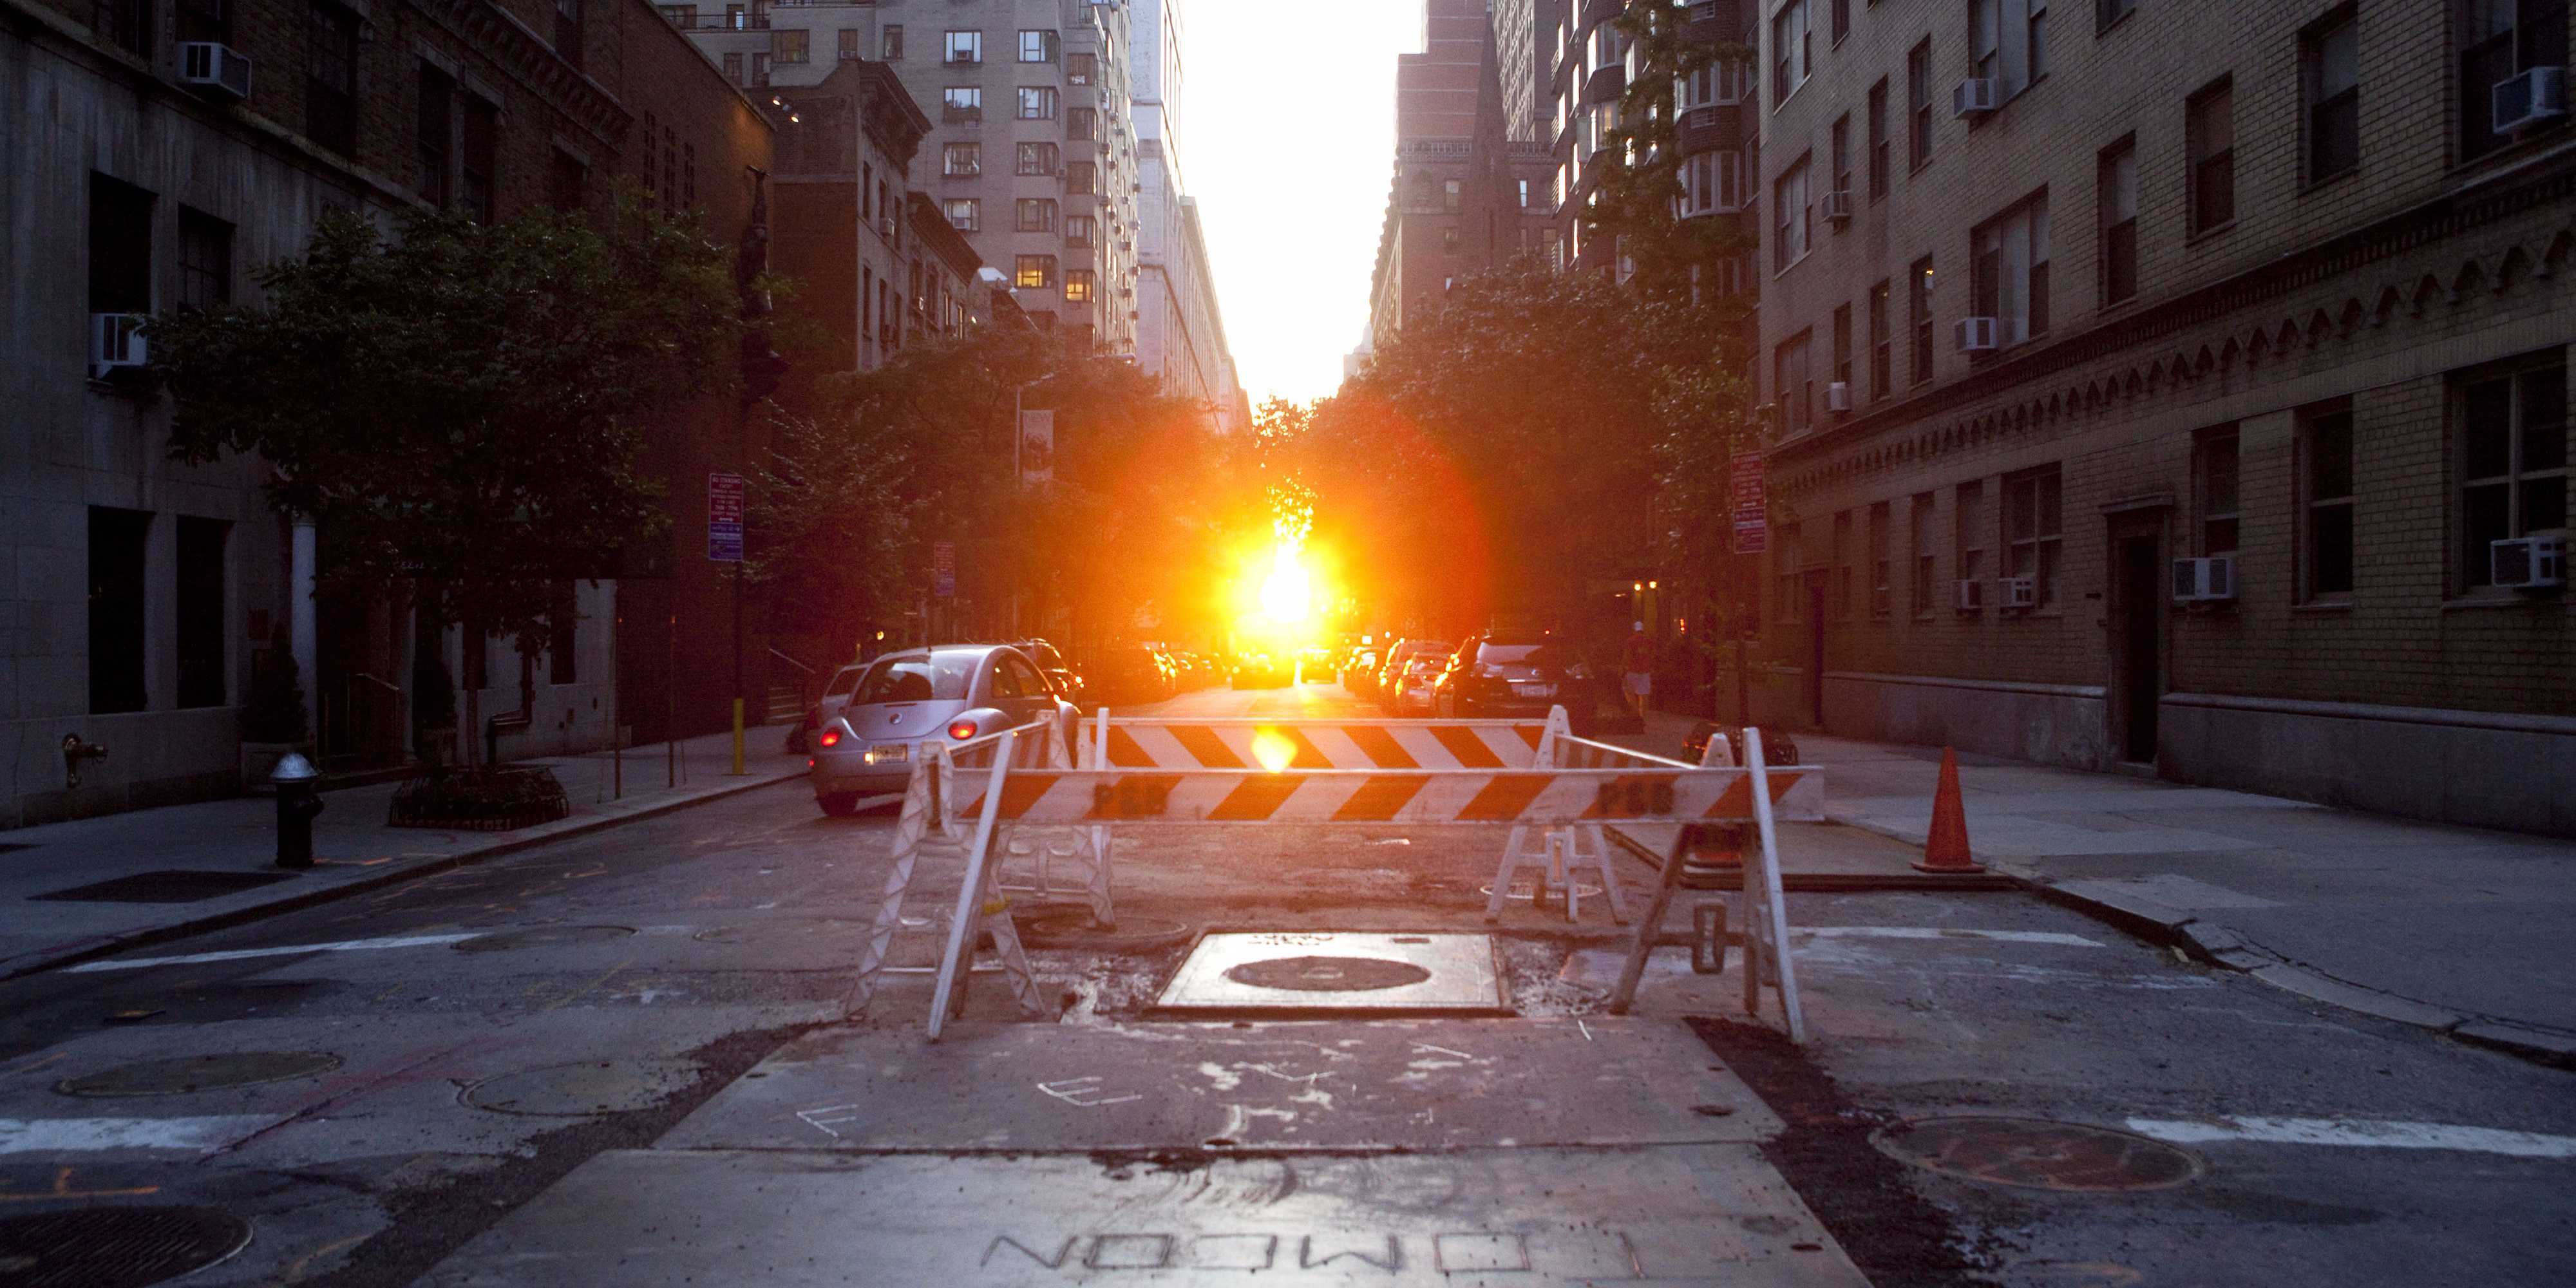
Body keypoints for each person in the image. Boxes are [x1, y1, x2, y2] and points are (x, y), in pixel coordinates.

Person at [1621, 622, 1653, 719]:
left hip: (1633, 670)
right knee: (1644, 695)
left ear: (1635, 630)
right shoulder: (1649, 641)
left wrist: (1622, 666)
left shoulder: (1630, 641)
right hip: (1645, 671)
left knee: (1629, 692)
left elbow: (1627, 655)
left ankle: (1635, 714)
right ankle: (1642, 716)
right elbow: (1652, 655)